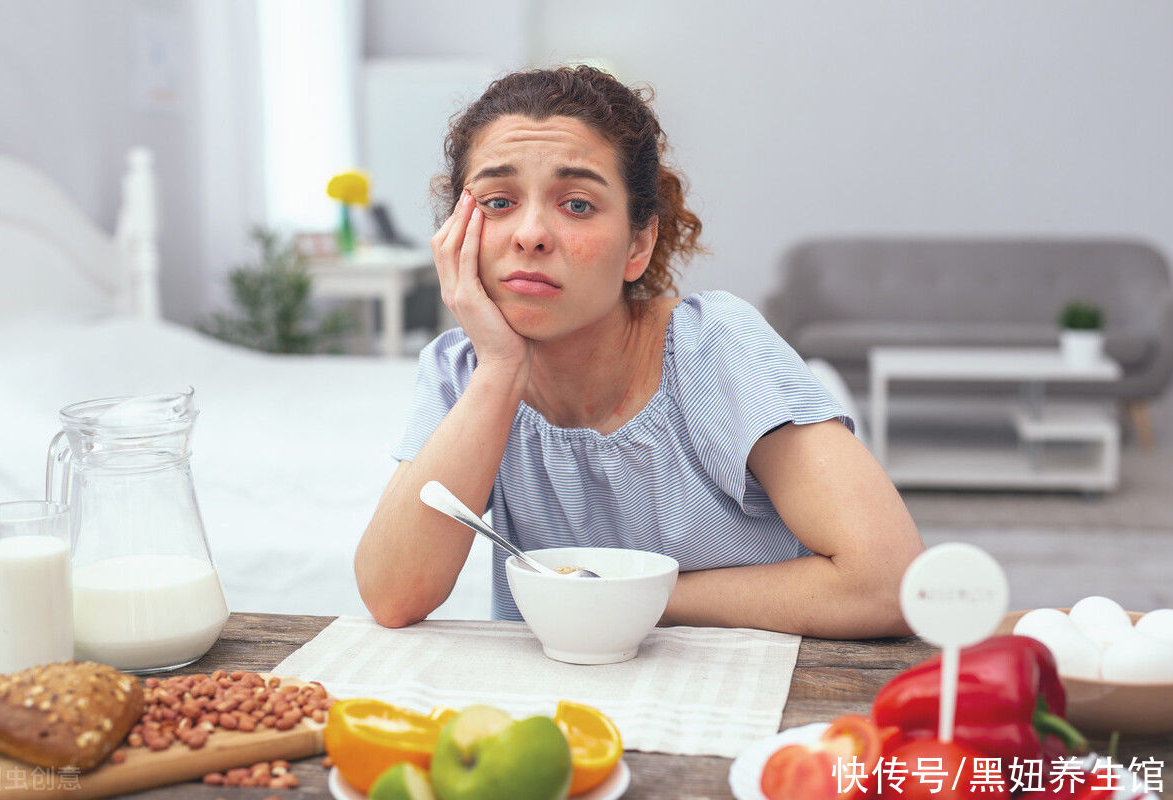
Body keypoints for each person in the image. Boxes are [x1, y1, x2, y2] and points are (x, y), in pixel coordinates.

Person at [355, 65, 923, 638]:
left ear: (638, 244)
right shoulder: (460, 371)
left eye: (576, 204)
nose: (529, 234)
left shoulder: (715, 347)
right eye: (498, 202)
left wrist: (633, 597)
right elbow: (393, 595)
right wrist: (501, 370)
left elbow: (888, 585)